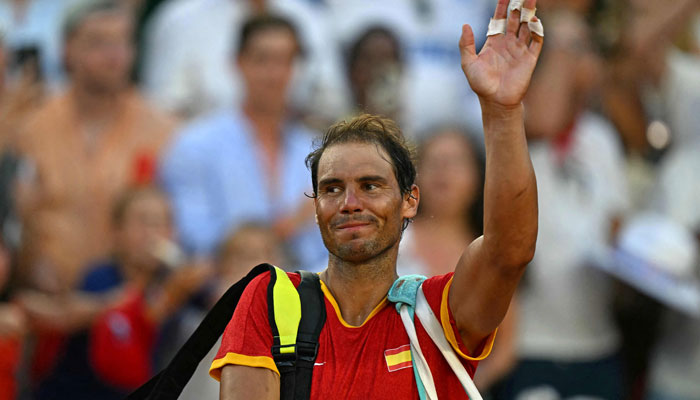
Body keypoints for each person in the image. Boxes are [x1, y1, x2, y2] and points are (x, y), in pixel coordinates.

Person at [210, 0, 543, 397]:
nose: (350, 202)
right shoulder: (269, 300)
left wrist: (503, 112)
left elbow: (510, 251)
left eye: (370, 185)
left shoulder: (438, 312)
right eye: (332, 188)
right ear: (315, 208)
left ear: (410, 201)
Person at [495, 9, 630, 400]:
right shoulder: (513, 123)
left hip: (597, 341)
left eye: (583, 48)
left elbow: (616, 228)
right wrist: (560, 54)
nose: (581, 58)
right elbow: (545, 119)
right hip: (532, 344)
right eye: (570, 49)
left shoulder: (601, 138)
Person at [14, 0, 174, 291]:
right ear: (67, 49)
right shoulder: (31, 129)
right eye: (98, 43)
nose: (113, 56)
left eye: (122, 42)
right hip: (45, 303)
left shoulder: (162, 131)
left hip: (128, 308)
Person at [160, 14, 326, 269]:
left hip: (309, 298)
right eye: (263, 60)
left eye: (286, 61)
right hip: (225, 300)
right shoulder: (195, 145)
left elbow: (325, 249)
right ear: (238, 63)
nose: (275, 74)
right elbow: (196, 242)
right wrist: (289, 226)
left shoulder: (316, 150)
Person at [21, 186, 211, 399]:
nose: (152, 233)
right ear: (117, 232)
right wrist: (162, 296)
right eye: (142, 221)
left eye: (161, 223)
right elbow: (67, 313)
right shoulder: (101, 277)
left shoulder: (181, 282)